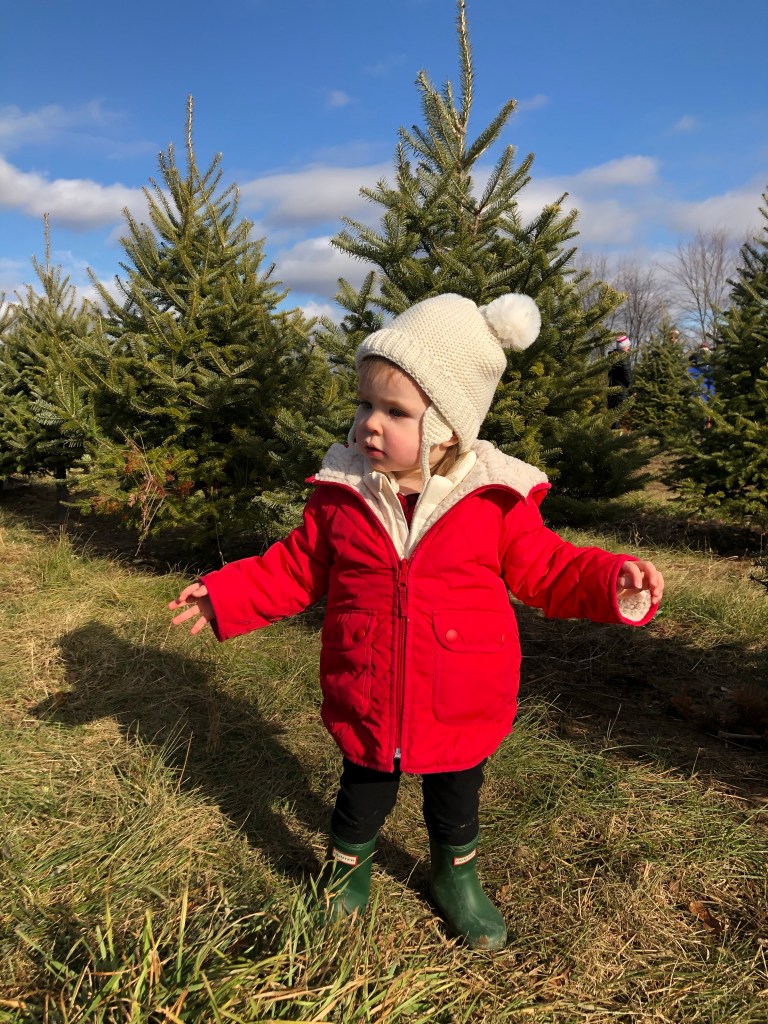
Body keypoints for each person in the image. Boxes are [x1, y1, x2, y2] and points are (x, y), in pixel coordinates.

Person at [169, 293, 664, 952]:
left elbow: (549, 568)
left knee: (456, 796)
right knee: (362, 789)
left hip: (462, 695)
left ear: (448, 428)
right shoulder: (344, 495)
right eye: (364, 405)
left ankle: (456, 877)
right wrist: (225, 595)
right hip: (368, 688)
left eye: (395, 412)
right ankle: (345, 876)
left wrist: (610, 580)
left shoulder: (493, 499)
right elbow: (294, 567)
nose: (369, 425)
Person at [607, 333, 633, 428]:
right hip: (621, 389)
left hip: (612, 387)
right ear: (624, 346)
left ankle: (613, 431)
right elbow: (627, 373)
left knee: (614, 412)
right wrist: (629, 384)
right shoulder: (624, 357)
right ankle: (616, 433)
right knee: (618, 413)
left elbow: (609, 373)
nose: (629, 348)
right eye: (628, 346)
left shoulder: (612, 356)